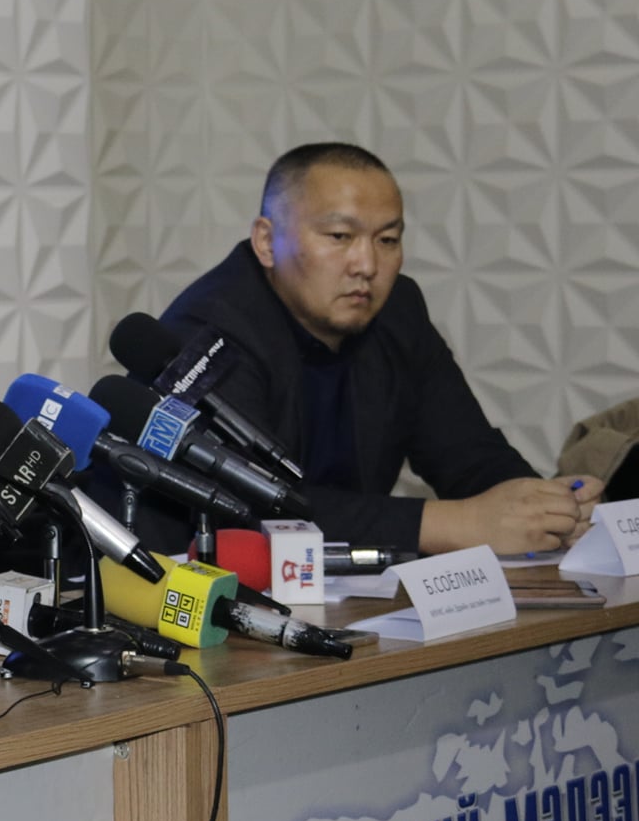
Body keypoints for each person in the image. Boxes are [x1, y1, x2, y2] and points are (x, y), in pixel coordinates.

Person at [159, 142, 601, 555]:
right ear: (266, 242)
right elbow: (245, 502)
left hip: (356, 587)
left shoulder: (397, 311)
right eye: (339, 236)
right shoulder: (206, 332)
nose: (367, 265)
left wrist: (544, 506)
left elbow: (466, 454)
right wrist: (456, 523)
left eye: (387, 240)